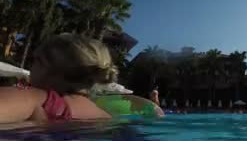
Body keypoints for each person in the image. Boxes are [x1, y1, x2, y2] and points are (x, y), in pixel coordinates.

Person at [0, 34, 163, 124]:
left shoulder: (38, 98)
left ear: (56, 71)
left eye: (36, 61)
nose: (31, 66)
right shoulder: (105, 116)